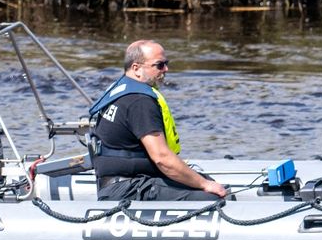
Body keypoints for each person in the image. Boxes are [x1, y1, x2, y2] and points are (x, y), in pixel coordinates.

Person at [85, 39, 230, 202]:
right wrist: (204, 184)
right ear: (136, 68)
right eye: (159, 65)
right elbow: (161, 158)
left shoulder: (120, 89)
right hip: (129, 188)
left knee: (207, 182)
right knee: (212, 196)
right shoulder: (139, 101)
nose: (166, 69)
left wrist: (201, 180)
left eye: (166, 63)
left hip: (117, 181)